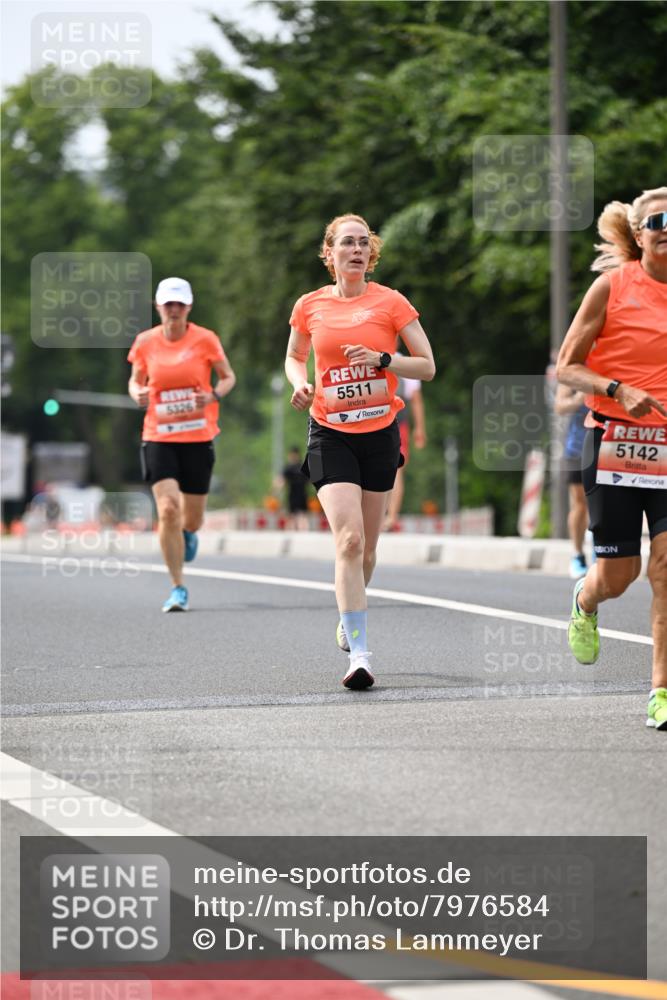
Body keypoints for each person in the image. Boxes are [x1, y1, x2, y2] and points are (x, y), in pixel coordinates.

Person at [285, 213, 436, 690]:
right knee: (347, 541)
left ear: (372, 254)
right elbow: (294, 355)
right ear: (328, 254)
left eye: (363, 243)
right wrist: (300, 383)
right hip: (329, 431)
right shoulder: (309, 306)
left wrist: (384, 360)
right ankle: (361, 656)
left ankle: (349, 610)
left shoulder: (391, 303)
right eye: (346, 243)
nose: (356, 250)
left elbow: (428, 367)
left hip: (379, 432)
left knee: (368, 549)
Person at [556, 187, 667, 731]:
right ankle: (586, 599)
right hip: (615, 441)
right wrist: (618, 389)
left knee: (666, 568)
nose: (666, 227)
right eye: (657, 221)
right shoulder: (611, 287)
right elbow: (567, 367)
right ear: (638, 234)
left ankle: (660, 691)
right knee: (619, 576)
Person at [128, 277, 236, 612]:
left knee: (192, 519)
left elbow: (228, 376)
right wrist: (138, 394)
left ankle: (188, 534)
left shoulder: (205, 339)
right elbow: (134, 381)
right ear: (157, 306)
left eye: (180, 304)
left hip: (198, 436)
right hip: (159, 436)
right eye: (168, 304)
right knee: (168, 510)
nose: (173, 310)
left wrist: (213, 394)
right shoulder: (145, 342)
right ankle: (177, 587)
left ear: (188, 307)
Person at [383, 367, 427, 532]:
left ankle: (388, 516)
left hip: (381, 420)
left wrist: (420, 428)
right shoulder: (405, 363)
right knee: (396, 469)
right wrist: (420, 428)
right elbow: (415, 399)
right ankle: (391, 517)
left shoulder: (366, 353)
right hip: (397, 422)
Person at [554, 383, 589, 578]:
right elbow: (559, 406)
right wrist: (579, 398)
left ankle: (601, 552)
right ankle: (577, 554)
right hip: (577, 448)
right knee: (580, 503)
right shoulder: (575, 369)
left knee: (605, 503)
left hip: (607, 446)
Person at [281, 446, 310, 530]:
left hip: (299, 495)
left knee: (300, 516)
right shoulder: (301, 467)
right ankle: (300, 534)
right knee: (294, 516)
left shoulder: (290, 467)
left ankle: (298, 534)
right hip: (297, 495)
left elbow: (281, 481)